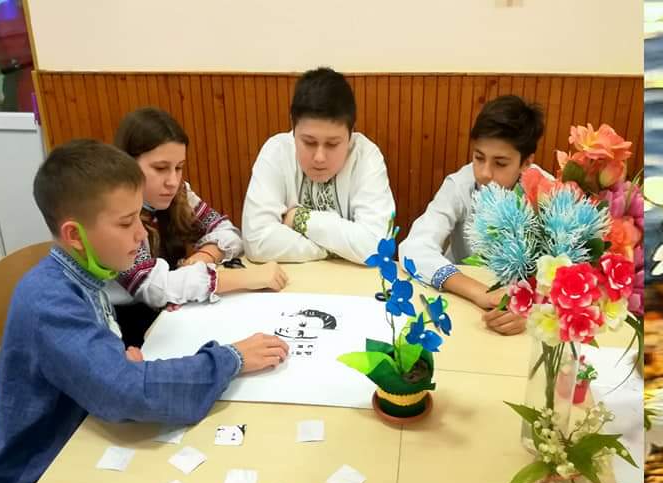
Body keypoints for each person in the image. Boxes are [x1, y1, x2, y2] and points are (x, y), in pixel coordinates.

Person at [0, 139, 289, 483]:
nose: (141, 235)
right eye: (126, 223)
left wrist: (112, 367)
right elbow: (126, 392)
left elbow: (111, 377)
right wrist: (231, 359)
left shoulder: (84, 276)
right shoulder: (48, 300)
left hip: (84, 437)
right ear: (75, 235)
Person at [110, 107, 288, 346]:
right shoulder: (115, 214)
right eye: (160, 168)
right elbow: (153, 287)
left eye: (179, 167)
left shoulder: (179, 194)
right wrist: (245, 278)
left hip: (167, 317)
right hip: (127, 333)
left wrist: (204, 256)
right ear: (128, 164)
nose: (173, 181)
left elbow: (228, 231)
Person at [399, 95, 550, 336]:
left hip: (522, 318)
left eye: (500, 163)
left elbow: (572, 274)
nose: (484, 173)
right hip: (464, 305)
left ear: (526, 163)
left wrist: (534, 309)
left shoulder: (548, 194)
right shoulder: (460, 185)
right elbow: (414, 248)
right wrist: (481, 293)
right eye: (479, 157)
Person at [241, 67, 395, 264]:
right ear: (293, 127)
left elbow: (377, 247)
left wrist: (299, 218)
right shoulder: (276, 151)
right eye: (309, 142)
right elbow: (256, 242)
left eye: (332, 144)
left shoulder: (366, 156)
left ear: (351, 134)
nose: (319, 157)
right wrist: (337, 250)